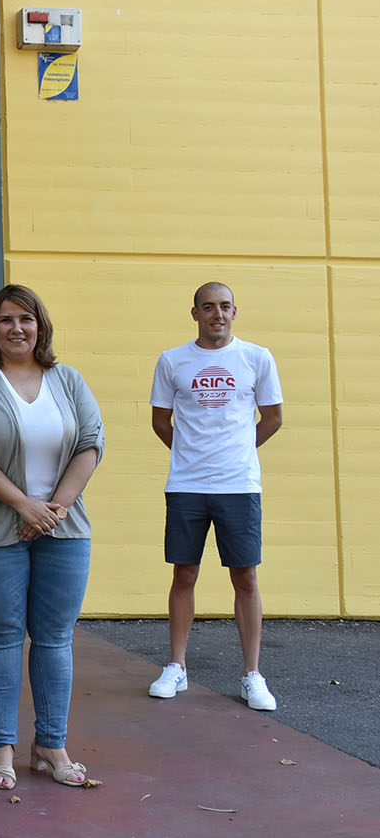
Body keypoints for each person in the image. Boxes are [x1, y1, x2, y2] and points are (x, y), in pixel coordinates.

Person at [0, 284, 103, 790]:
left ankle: (50, 746)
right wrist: (23, 504)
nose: (18, 328)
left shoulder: (68, 380)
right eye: (7, 320)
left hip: (63, 528)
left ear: (40, 327)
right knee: (2, 638)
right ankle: (2, 751)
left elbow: (91, 443)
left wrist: (54, 509)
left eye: (27, 319)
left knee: (55, 640)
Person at [147, 282, 283, 711]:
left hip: (239, 486)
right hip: (186, 486)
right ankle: (177, 667)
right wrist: (192, 455)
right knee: (183, 574)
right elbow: (160, 421)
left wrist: (236, 452)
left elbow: (273, 418)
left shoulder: (256, 358)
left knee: (245, 577)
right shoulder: (172, 361)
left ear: (235, 312)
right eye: (208, 308)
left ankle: (252, 675)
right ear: (195, 314)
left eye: (224, 307)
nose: (216, 315)